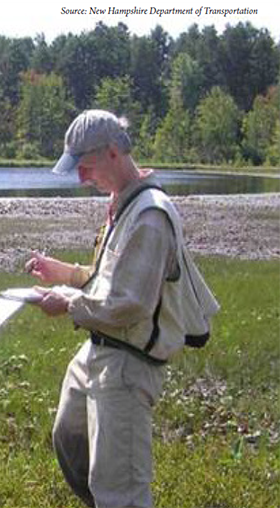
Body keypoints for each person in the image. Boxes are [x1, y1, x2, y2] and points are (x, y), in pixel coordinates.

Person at [25, 109, 219, 508]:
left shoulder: (149, 216)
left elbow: (129, 304)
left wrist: (67, 304)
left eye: (86, 166)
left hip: (127, 364)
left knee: (121, 490)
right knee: (70, 439)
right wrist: (63, 272)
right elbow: (109, 279)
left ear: (114, 152)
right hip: (97, 351)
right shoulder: (121, 204)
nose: (81, 178)